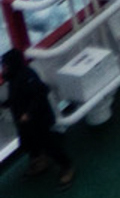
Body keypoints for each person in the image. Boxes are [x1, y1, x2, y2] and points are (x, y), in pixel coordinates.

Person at [3, 49, 72, 188]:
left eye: (5, 65)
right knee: (29, 144)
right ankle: (40, 162)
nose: (3, 68)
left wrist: (29, 113)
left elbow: (40, 94)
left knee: (50, 145)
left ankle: (67, 167)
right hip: (25, 124)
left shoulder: (27, 76)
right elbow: (15, 98)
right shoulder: (14, 78)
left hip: (39, 121)